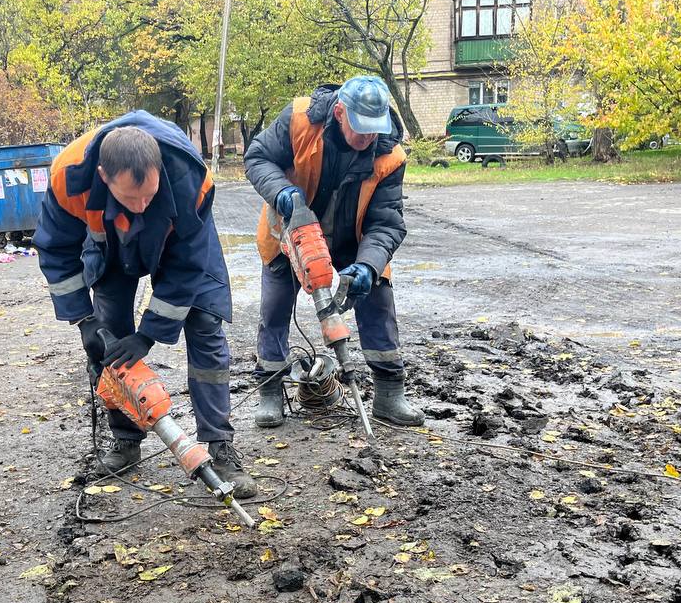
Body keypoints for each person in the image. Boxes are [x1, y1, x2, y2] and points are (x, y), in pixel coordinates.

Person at [33, 111, 255, 498]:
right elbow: (56, 250)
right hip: (110, 244)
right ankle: (125, 438)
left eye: (148, 196)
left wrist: (149, 335)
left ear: (159, 172)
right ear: (103, 177)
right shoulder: (68, 178)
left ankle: (219, 446)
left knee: (205, 324)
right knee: (109, 337)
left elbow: (188, 266)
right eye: (130, 197)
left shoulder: (190, 180)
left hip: (180, 240)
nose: (140, 206)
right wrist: (83, 319)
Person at [245, 76, 424, 428]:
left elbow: (386, 222)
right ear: (340, 113)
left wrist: (368, 267)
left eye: (374, 130)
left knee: (378, 300)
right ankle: (270, 391)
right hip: (290, 231)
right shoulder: (299, 120)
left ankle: (389, 394)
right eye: (361, 129)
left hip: (352, 241)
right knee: (275, 308)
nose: (368, 138)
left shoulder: (390, 155)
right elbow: (257, 157)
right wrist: (282, 192)